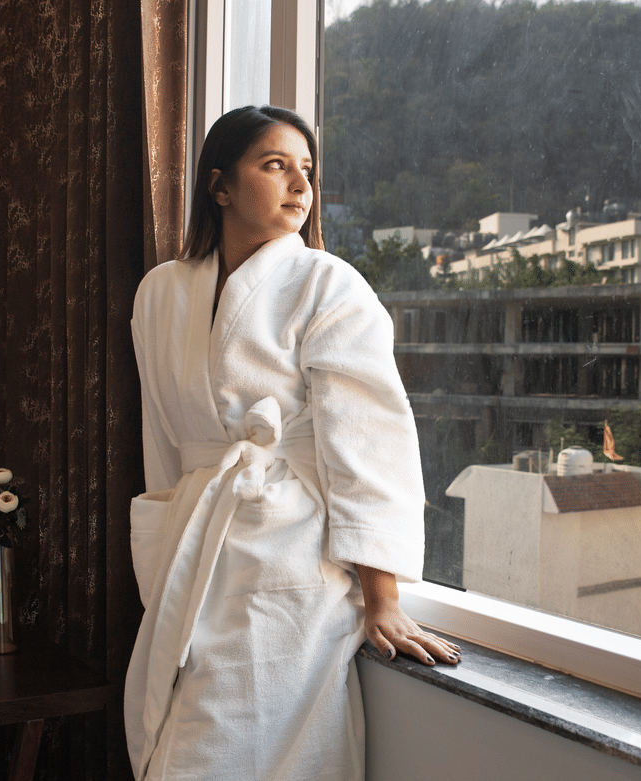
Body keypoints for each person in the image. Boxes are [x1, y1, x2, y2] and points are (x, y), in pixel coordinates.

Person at [124, 105, 461, 780]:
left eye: (306, 169)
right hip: (193, 550)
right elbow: (162, 441)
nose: (299, 185)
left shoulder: (328, 285)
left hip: (288, 559)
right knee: (185, 741)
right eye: (275, 165)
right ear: (219, 186)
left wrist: (382, 597)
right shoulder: (160, 292)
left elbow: (366, 443)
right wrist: (162, 543)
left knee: (230, 746)